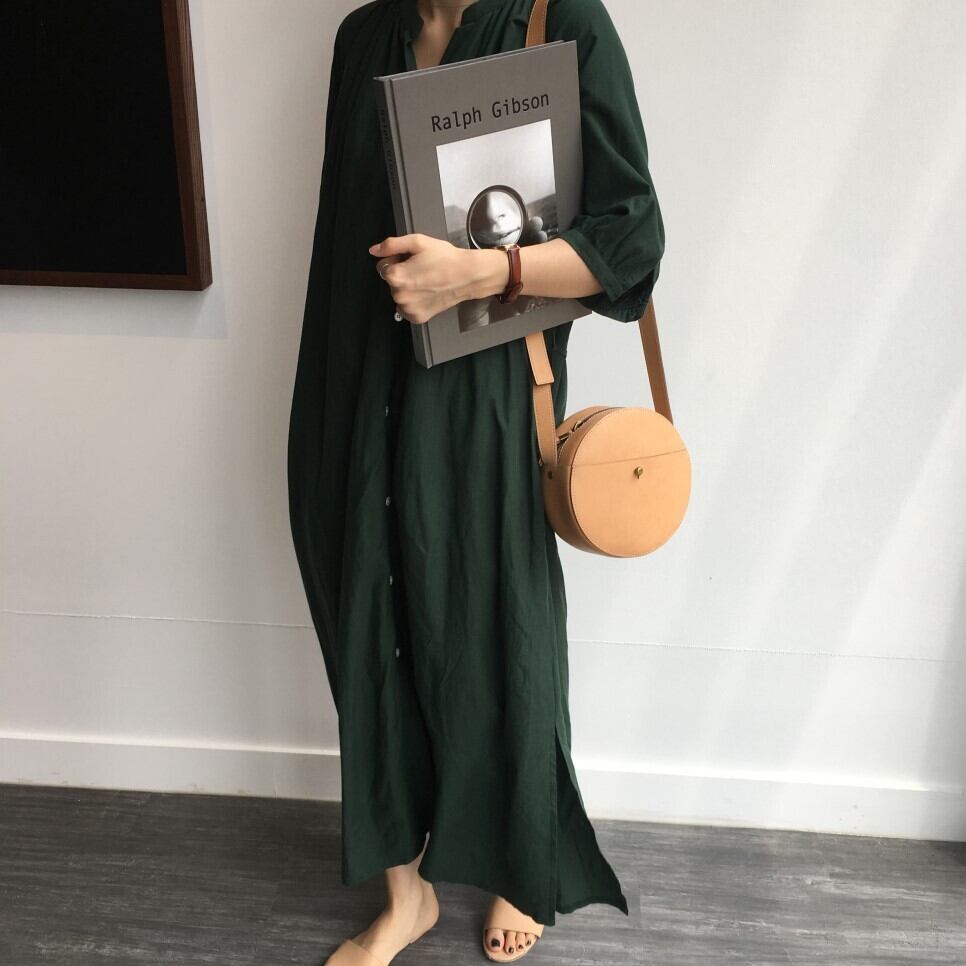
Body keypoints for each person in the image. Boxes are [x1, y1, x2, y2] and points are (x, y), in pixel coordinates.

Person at [286, 0, 665, 962]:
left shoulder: (560, 19)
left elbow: (631, 239)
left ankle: (519, 861)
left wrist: (481, 274)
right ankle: (404, 894)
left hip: (489, 392)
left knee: (500, 620)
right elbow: (339, 241)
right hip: (356, 385)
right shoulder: (362, 36)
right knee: (370, 623)